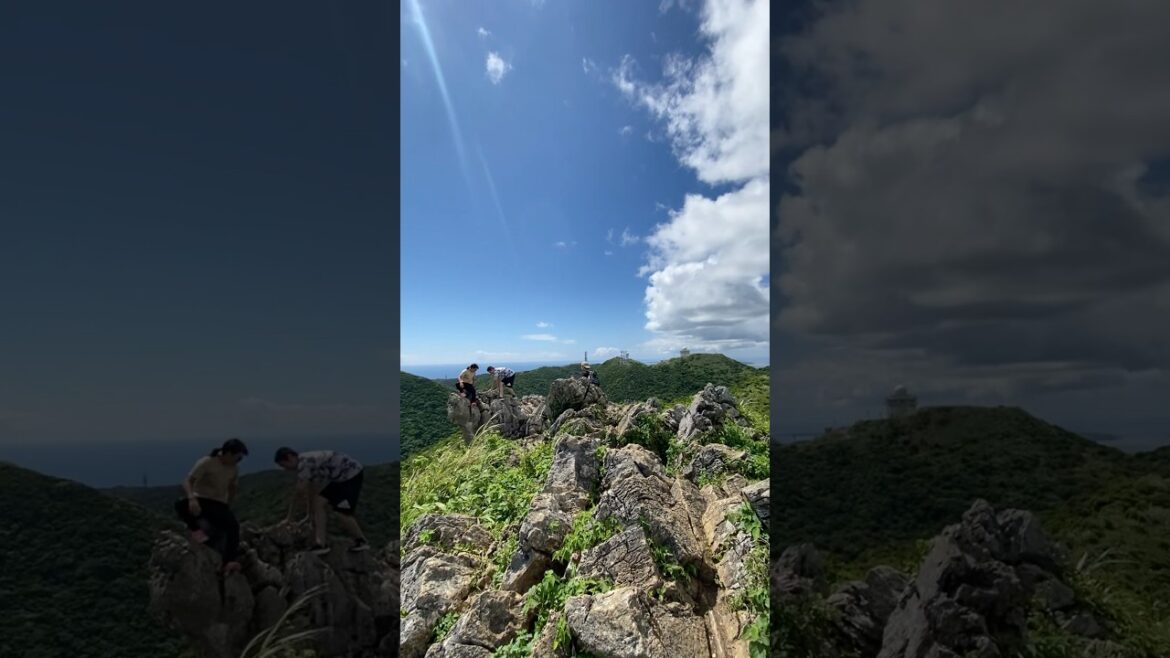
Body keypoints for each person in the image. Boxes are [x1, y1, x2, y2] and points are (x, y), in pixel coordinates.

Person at [274, 447, 369, 555]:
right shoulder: (307, 462)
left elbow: (298, 493)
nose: (285, 469)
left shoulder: (305, 463)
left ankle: (361, 541)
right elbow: (311, 490)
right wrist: (309, 515)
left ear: (290, 457)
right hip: (340, 477)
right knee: (318, 502)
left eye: (283, 465)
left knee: (342, 513)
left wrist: (289, 518)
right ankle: (321, 544)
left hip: (351, 475)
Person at [174, 438, 248, 573]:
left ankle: (229, 560)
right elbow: (188, 481)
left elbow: (232, 488)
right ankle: (196, 531)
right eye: (238, 458)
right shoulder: (207, 462)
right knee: (180, 505)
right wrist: (191, 498)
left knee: (233, 526)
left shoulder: (234, 469)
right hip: (200, 499)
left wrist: (228, 505)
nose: (238, 462)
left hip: (218, 503)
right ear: (228, 454)